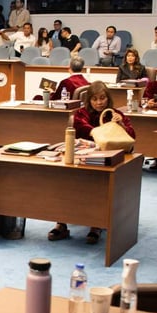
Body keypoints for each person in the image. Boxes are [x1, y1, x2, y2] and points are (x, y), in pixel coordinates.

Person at [52, 81, 137, 244]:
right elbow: (82, 128)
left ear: (108, 98)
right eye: (95, 99)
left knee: (100, 184)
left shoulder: (116, 114)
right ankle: (61, 222)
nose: (99, 103)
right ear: (89, 100)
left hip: (105, 161)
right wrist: (104, 131)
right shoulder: (81, 113)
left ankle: (96, 224)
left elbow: (132, 137)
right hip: (83, 159)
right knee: (64, 181)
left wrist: (121, 125)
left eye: (103, 98)